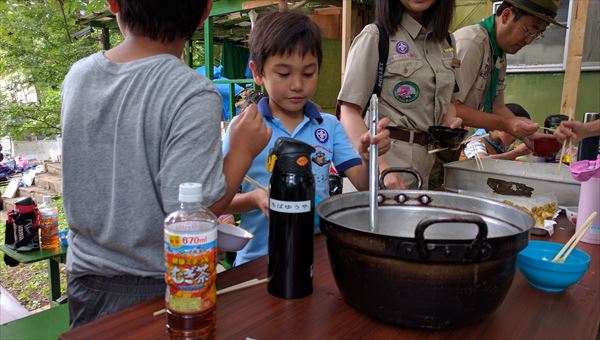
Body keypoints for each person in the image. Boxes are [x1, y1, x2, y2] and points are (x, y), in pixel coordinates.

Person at [61, 0, 271, 328]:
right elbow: (193, 213)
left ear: (113, 3)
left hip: (83, 279)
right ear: (205, 10)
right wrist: (242, 151)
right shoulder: (191, 92)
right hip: (155, 285)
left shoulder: (78, 75)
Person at [222, 11, 391, 266]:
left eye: (308, 73)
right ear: (258, 72)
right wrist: (255, 199)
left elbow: (364, 186)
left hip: (316, 256)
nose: (298, 85)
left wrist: (369, 157)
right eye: (284, 74)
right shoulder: (245, 129)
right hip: (257, 261)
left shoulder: (329, 126)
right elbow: (219, 202)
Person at [430, 0, 566, 188]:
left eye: (538, 34)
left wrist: (530, 137)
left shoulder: (497, 53)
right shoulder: (472, 43)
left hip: (450, 144)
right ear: (506, 15)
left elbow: (497, 106)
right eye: (530, 30)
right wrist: (507, 124)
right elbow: (452, 108)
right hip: (432, 146)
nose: (529, 41)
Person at [337, 0, 461, 189]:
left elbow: (449, 102)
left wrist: (449, 122)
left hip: (426, 165)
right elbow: (348, 112)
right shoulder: (376, 36)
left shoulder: (447, 42)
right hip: (385, 166)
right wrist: (382, 168)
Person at [460, 103, 532, 160]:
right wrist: (516, 153)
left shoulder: (502, 143)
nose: (518, 137)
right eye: (516, 131)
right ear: (502, 126)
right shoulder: (475, 142)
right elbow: (482, 161)